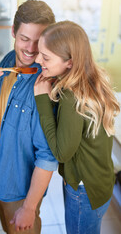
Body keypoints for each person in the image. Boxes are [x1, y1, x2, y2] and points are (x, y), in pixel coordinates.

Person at [0, 0, 57, 234]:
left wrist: (29, 207)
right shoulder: (9, 59)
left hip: (20, 187)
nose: (30, 49)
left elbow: (47, 157)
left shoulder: (45, 85)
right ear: (13, 33)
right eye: (24, 39)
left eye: (39, 42)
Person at [34, 20, 120, 233]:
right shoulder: (93, 79)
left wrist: (42, 99)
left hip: (84, 192)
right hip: (100, 182)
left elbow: (62, 153)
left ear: (70, 62)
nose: (38, 60)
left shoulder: (71, 97)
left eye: (45, 57)